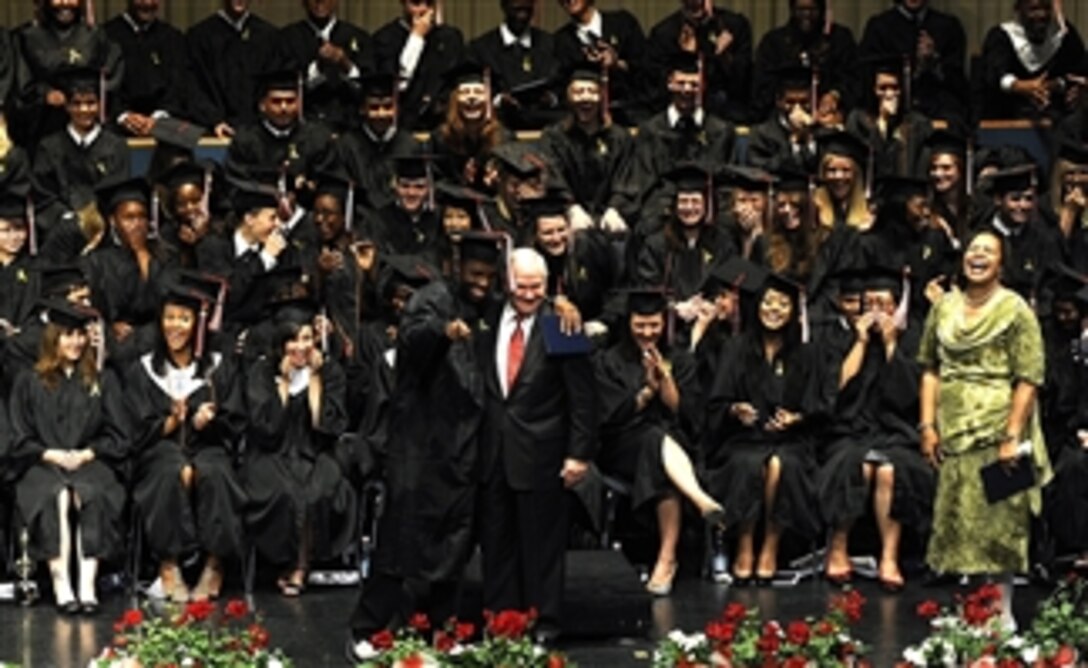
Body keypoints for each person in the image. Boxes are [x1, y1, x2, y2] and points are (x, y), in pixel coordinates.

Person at [347, 233, 503, 660]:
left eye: (489, 276)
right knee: (402, 543)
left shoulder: (491, 307)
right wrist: (443, 332)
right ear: (457, 267)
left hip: (464, 450)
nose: (482, 283)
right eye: (475, 274)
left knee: (453, 547)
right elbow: (413, 340)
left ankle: (440, 631)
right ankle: (368, 627)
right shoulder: (432, 301)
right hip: (421, 446)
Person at [919, 228, 1052, 629]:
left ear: (1001, 262)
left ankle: (1002, 613)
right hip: (954, 428)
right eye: (972, 249)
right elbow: (930, 368)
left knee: (1001, 523)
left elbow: (1029, 377)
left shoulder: (1015, 310)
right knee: (961, 522)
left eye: (987, 251)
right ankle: (972, 610)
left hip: (999, 428)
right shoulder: (943, 307)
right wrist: (927, 426)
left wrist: (1013, 434)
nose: (977, 256)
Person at [478, 247, 597, 641]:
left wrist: (579, 454)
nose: (529, 295)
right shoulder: (490, 314)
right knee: (497, 541)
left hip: (543, 450)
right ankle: (501, 619)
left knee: (542, 544)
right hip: (494, 448)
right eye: (522, 286)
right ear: (507, 282)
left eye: (537, 287)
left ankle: (545, 619)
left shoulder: (561, 323)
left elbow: (583, 396)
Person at [595, 289, 724, 596]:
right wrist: (646, 392)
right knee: (655, 442)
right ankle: (698, 499)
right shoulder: (609, 360)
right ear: (628, 323)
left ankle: (666, 559)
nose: (647, 332)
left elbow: (687, 414)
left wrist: (666, 382)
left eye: (654, 325)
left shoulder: (679, 358)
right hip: (623, 444)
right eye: (640, 325)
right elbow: (608, 417)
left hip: (671, 442)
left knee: (660, 451)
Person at [126, 285, 246, 603]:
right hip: (160, 448)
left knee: (216, 473)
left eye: (184, 318)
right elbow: (134, 429)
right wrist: (170, 423)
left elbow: (236, 423)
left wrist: (208, 422)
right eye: (169, 318)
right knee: (168, 472)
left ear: (199, 325)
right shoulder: (145, 369)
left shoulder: (218, 367)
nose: (175, 326)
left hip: (209, 446)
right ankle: (169, 563)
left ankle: (213, 563)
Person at [817, 264, 934, 591]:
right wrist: (861, 342)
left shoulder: (912, 339)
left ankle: (889, 557)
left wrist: (891, 344)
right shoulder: (843, 338)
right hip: (850, 431)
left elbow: (909, 395)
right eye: (869, 305)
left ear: (898, 309)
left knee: (889, 470)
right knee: (856, 465)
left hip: (897, 432)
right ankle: (838, 548)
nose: (875, 312)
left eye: (884, 305)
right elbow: (836, 390)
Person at [705, 273, 825, 584]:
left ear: (793, 311)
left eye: (783, 304)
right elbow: (717, 401)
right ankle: (745, 543)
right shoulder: (735, 348)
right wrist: (736, 409)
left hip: (791, 440)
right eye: (768, 302)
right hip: (744, 438)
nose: (774, 309)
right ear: (756, 306)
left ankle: (770, 545)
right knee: (748, 465)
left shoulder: (807, 352)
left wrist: (797, 418)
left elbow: (820, 405)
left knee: (780, 465)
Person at [8, 300, 127, 614]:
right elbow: (18, 435)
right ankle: (62, 583)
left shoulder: (101, 380)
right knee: (56, 494)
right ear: (53, 338)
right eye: (67, 335)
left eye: (80, 335)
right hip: (42, 463)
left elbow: (119, 434)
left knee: (90, 492)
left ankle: (87, 586)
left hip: (90, 461)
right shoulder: (29, 380)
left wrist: (88, 452)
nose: (75, 342)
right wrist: (52, 454)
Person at [243, 298, 353, 597]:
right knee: (283, 492)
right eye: (292, 339)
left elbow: (326, 427)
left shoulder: (330, 372)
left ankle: (301, 566)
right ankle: (282, 562)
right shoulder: (262, 372)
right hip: (272, 452)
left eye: (306, 338)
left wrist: (315, 379)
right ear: (280, 342)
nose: (300, 347)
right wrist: (283, 383)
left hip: (316, 451)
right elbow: (267, 429)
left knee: (317, 491)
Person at [629, 53, 736, 237]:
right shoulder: (651, 130)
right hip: (661, 211)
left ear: (703, 86)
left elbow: (725, 180)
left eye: (694, 84)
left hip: (710, 210)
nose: (687, 90)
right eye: (681, 83)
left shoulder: (721, 131)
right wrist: (673, 206)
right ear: (669, 83)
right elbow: (645, 181)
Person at [30, 68, 130, 243]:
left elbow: (120, 193)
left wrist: (100, 222)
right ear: (67, 106)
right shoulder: (49, 147)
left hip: (106, 233)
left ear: (100, 105)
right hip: (61, 232)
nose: (84, 110)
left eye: (91, 103)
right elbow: (43, 195)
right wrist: (70, 220)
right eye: (76, 103)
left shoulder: (116, 146)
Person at [538, 63, 637, 236]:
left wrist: (615, 208)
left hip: (612, 218)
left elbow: (627, 178)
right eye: (578, 92)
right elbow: (552, 178)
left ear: (601, 97)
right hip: (568, 218)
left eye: (592, 92)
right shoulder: (554, 137)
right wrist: (571, 208)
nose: (585, 98)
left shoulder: (620, 138)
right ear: (569, 97)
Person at [10, 0, 123, 147]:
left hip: (87, 124)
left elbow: (109, 78)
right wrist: (45, 94)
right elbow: (22, 83)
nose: (65, 3)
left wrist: (87, 99)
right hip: (44, 126)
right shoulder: (28, 37)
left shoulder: (95, 35)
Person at [857, 0, 970, 125]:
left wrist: (934, 61)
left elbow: (958, 84)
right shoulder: (879, 28)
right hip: (892, 106)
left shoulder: (948, 27)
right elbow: (868, 79)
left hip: (937, 108)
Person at [223, 68, 337, 191]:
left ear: (299, 104)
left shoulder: (317, 137)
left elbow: (327, 183)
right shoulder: (245, 139)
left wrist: (306, 187)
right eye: (276, 101)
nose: (284, 108)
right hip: (257, 206)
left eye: (290, 101)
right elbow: (235, 183)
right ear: (262, 105)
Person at [976, 0, 1086, 121]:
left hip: (1057, 118)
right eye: (1034, 9)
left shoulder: (1064, 36)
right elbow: (995, 77)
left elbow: (1077, 74)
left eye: (1046, 8)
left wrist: (1056, 85)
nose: (1042, 14)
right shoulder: (1001, 37)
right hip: (1008, 116)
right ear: (1018, 9)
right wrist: (1021, 86)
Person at [646, 0, 753, 123]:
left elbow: (743, 85)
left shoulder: (734, 27)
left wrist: (724, 56)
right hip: (680, 113)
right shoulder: (664, 33)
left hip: (725, 113)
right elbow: (657, 90)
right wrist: (688, 56)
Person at [103, 0, 197, 138]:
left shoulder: (172, 37)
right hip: (117, 125)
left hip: (166, 123)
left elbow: (179, 86)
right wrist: (123, 116)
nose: (147, 3)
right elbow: (102, 87)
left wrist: (159, 117)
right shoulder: (106, 36)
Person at [186, 0, 280, 139]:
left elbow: (273, 86)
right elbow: (192, 88)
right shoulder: (200, 36)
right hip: (213, 133)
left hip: (260, 135)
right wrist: (214, 120)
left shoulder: (268, 36)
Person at [751, 0, 858, 121]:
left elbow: (853, 79)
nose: (807, 15)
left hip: (829, 117)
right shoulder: (774, 42)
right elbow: (762, 88)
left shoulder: (839, 39)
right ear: (792, 10)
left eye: (812, 10)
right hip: (781, 117)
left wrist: (835, 95)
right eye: (801, 10)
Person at [278, 0, 376, 132]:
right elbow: (285, 87)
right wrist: (317, 68)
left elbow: (370, 87)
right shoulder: (287, 39)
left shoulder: (359, 37)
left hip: (351, 128)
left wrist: (346, 65)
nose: (320, 1)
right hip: (305, 128)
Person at [372, 0, 466, 131]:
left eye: (429, 3)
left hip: (442, 128)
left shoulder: (451, 38)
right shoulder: (385, 38)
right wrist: (416, 37)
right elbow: (396, 86)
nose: (423, 9)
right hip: (402, 127)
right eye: (416, 3)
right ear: (403, 3)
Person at [469, 0, 562, 131]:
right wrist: (499, 100)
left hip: (544, 128)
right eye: (516, 5)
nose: (522, 9)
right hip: (501, 128)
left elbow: (559, 85)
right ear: (503, 5)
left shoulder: (550, 44)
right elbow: (475, 91)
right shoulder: (481, 48)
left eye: (527, 5)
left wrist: (551, 98)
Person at [552, 0, 650, 125]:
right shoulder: (560, 40)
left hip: (628, 110)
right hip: (584, 117)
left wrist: (616, 63)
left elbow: (645, 69)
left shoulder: (623, 22)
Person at [338, 73, 418, 214]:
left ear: (396, 109)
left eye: (387, 107)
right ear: (363, 109)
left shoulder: (411, 145)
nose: (381, 114)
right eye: (374, 108)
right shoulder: (346, 146)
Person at [983, 165, 1063, 302]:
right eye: (1015, 199)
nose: (1023, 205)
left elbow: (1051, 282)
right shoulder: (981, 238)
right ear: (998, 200)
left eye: (1028, 199)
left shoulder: (1041, 238)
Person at [847, 55, 932, 180]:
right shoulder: (858, 120)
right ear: (873, 90)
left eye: (895, 88)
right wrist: (883, 121)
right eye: (883, 88)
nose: (889, 94)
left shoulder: (918, 123)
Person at [430, 63, 511, 192]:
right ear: (454, 101)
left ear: (489, 100)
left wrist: (499, 181)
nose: (472, 97)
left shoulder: (505, 138)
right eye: (465, 92)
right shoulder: (440, 139)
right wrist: (460, 184)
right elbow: (434, 181)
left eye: (479, 92)